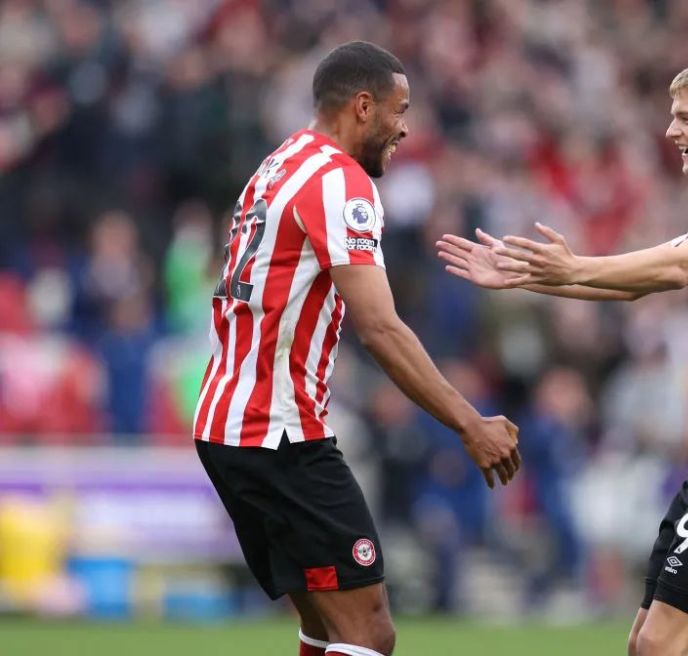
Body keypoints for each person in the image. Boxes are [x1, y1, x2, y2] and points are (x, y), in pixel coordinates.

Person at [437, 61, 688, 656]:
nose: (671, 131)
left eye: (686, 118)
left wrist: (574, 266)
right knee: (645, 643)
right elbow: (634, 285)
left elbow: (678, 267)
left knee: (661, 644)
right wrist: (527, 277)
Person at [193, 41, 521, 656]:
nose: (406, 127)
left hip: (228, 421)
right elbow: (380, 328)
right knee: (369, 630)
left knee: (326, 626)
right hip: (278, 430)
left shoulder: (279, 163)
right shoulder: (340, 182)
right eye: (400, 110)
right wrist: (469, 423)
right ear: (364, 107)